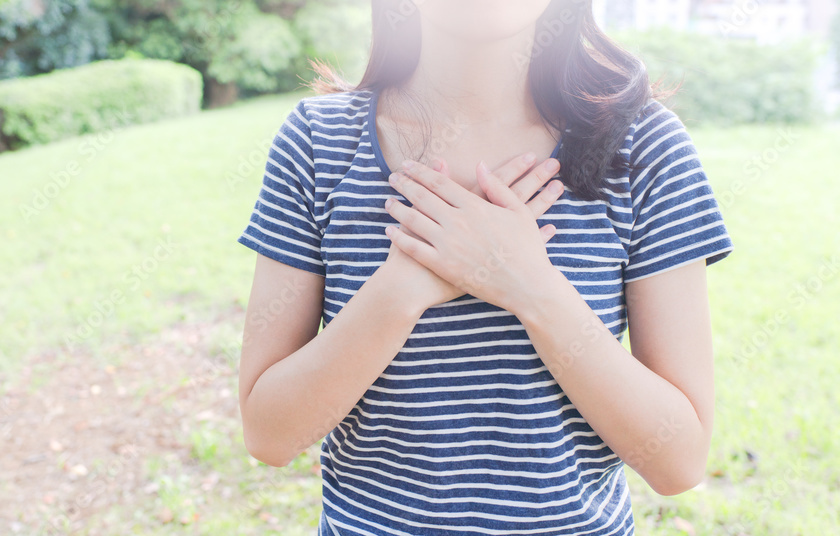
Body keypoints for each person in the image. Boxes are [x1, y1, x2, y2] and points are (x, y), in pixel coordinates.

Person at [235, 0, 735, 534]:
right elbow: (269, 434)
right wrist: (404, 287)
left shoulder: (645, 147)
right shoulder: (318, 142)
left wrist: (531, 286)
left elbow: (678, 460)